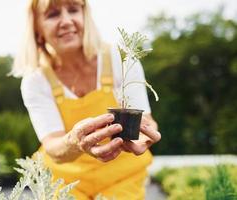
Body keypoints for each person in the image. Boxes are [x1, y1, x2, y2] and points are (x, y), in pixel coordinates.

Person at [11, 0, 161, 199]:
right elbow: (53, 147)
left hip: (122, 176)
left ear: (85, 17)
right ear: (37, 28)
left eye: (73, 10)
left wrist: (143, 137)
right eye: (53, 14)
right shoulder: (35, 80)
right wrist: (75, 140)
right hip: (64, 181)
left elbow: (146, 122)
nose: (66, 21)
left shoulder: (120, 59)